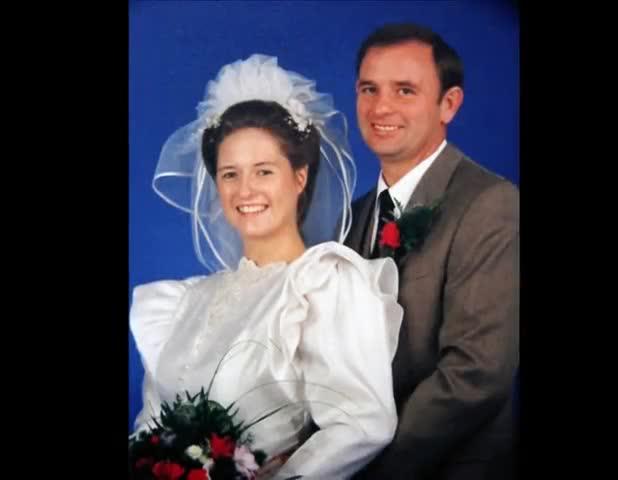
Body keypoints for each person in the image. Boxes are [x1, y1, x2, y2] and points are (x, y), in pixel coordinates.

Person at [129, 54, 403, 479]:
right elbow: (149, 429)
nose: (245, 190)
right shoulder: (183, 301)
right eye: (230, 174)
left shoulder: (322, 284)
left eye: (263, 171)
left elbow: (363, 424)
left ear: (299, 177)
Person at [345, 23, 519, 479]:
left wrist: (356, 464)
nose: (381, 107)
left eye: (405, 90)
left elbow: (477, 374)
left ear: (449, 104)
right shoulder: (352, 217)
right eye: (369, 89)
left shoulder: (490, 204)